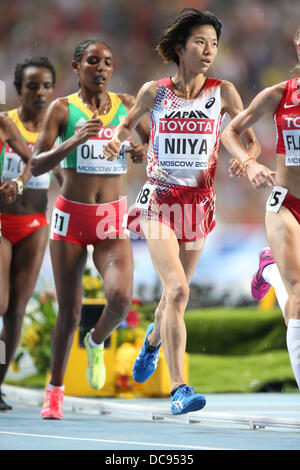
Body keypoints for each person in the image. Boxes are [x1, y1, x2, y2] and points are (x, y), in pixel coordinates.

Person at [103, 8, 260, 415]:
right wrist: (117, 142)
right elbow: (126, 124)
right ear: (179, 48)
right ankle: (179, 389)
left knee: (176, 299)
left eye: (213, 45)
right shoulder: (153, 92)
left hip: (199, 207)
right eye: (200, 43)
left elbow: (250, 140)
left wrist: (245, 158)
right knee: (176, 290)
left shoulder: (222, 92)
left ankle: (152, 342)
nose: (208, 51)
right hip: (158, 203)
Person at [31, 38, 149, 419]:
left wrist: (139, 152)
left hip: (110, 219)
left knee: (119, 299)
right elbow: (36, 166)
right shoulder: (61, 109)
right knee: (68, 311)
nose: (101, 68)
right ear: (76, 66)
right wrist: (74, 141)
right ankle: (55, 390)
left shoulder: (127, 105)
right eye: (93, 61)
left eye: (107, 62)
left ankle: (96, 341)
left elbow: (152, 147)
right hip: (70, 219)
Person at [222, 28, 300, 390]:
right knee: (299, 298)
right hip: (287, 203)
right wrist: (250, 162)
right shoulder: (279, 94)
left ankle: (269, 271)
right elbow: (229, 133)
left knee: (292, 306)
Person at [0, 56, 59, 412]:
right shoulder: (5, 124)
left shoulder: (58, 126)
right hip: (1, 221)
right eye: (33, 86)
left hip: (35, 223)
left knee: (17, 311)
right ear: (19, 89)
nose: (40, 93)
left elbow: (65, 172)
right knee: (1, 303)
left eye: (47, 86)